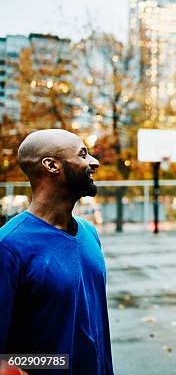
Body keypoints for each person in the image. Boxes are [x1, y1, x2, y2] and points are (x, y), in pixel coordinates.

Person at [0, 129, 113, 374]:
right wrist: (58, 363)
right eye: (83, 154)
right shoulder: (8, 246)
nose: (94, 162)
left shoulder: (88, 232)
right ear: (52, 165)